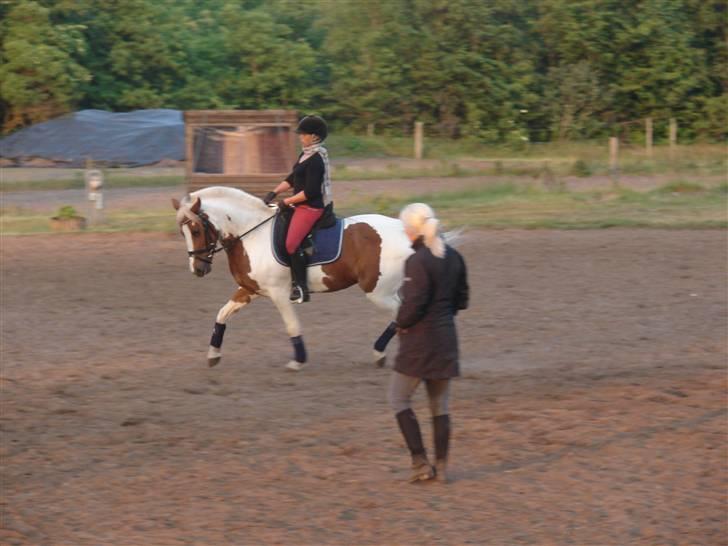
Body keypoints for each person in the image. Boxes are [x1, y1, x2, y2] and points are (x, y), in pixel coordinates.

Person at [389, 203, 469, 483]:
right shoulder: (456, 258)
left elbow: (413, 306)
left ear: (412, 231)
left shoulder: (417, 262)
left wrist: (400, 324)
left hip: (418, 344)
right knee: (440, 406)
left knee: (399, 399)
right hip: (447, 340)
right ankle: (443, 466)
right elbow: (462, 300)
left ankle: (421, 463)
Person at [264, 115, 333, 303]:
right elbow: (293, 178)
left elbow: (309, 192)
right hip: (299, 204)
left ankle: (301, 287)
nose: (300, 137)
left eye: (303, 134)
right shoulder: (305, 154)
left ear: (315, 137)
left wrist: (286, 202)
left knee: (291, 243)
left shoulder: (317, 159)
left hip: (311, 207)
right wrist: (274, 192)